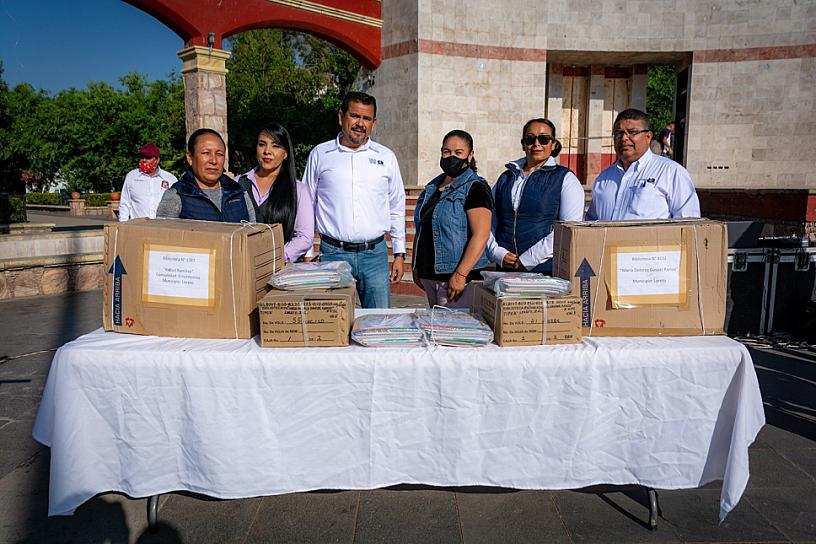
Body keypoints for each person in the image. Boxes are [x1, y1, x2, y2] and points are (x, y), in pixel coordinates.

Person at [302, 92, 406, 309]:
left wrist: (399, 253)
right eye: (355, 116)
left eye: (366, 119)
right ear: (341, 117)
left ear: (374, 123)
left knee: (378, 325)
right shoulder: (320, 154)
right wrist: (308, 253)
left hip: (375, 256)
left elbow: (396, 206)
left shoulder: (386, 157)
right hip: (333, 255)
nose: (360, 124)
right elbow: (307, 204)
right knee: (332, 325)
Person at [486, 118, 585, 274]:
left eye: (544, 139)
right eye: (530, 139)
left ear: (553, 144)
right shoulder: (506, 178)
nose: (537, 143)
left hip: (545, 272)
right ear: (523, 144)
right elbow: (488, 220)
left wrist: (528, 260)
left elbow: (568, 229)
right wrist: (497, 252)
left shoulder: (565, 179)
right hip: (505, 269)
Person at [412, 130, 492, 308]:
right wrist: (417, 266)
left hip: (455, 281)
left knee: (451, 333)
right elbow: (422, 229)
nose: (451, 157)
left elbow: (481, 235)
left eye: (458, 153)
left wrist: (460, 274)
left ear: (470, 156)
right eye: (446, 152)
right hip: (430, 276)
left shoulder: (475, 188)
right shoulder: (432, 188)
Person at [586, 109, 700, 221]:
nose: (624, 138)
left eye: (632, 132)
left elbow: (688, 223)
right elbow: (591, 222)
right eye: (618, 133)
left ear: (648, 137)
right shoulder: (604, 178)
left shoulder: (671, 172)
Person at [236, 123, 314, 263]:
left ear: (285, 153)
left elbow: (304, 237)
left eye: (276, 146)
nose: (267, 151)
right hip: (239, 266)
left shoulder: (298, 191)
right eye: (262, 144)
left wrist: (276, 257)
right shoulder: (237, 184)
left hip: (279, 270)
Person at [156, 128, 256, 222]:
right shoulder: (177, 196)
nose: (213, 160)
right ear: (190, 158)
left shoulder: (238, 193)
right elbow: (162, 236)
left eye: (219, 154)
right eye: (206, 153)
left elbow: (253, 234)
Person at [118, 144, 178, 221]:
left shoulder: (170, 179)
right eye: (142, 157)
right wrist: (123, 224)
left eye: (148, 157)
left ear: (157, 160)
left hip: (163, 227)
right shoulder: (132, 177)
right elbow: (124, 203)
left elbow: (176, 204)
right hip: (138, 227)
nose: (144, 160)